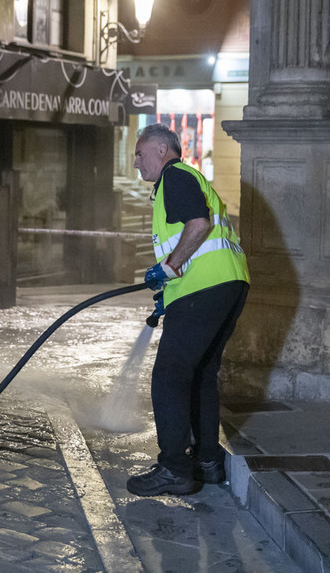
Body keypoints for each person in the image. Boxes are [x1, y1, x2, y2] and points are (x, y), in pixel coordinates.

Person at [127, 123, 249, 497]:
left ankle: (174, 468)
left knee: (168, 377)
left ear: (162, 150)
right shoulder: (186, 178)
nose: (135, 162)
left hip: (205, 287)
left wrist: (168, 268)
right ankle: (207, 463)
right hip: (229, 283)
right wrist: (170, 288)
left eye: (139, 152)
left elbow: (198, 225)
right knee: (200, 376)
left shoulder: (174, 177)